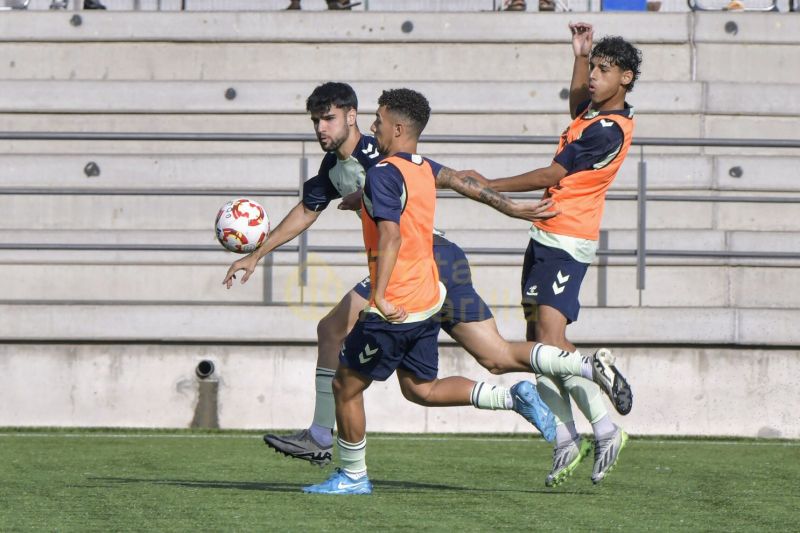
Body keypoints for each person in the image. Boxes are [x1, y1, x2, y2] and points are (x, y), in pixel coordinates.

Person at [222, 82, 629, 469]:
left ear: (352, 116)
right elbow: (307, 211)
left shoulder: (377, 154)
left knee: (333, 331)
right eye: (315, 121)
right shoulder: (336, 167)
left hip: (419, 262)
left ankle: (323, 437)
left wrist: (511, 207)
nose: (320, 128)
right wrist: (257, 254)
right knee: (478, 364)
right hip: (435, 263)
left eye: (327, 118)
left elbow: (450, 181)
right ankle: (573, 378)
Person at [458, 22, 642, 486]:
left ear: (627, 78)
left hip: (568, 240)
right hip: (546, 235)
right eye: (594, 68)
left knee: (552, 341)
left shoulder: (609, 131)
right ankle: (566, 438)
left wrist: (487, 185)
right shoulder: (592, 115)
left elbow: (552, 171)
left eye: (605, 69)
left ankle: (604, 429)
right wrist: (579, 53)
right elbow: (577, 100)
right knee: (536, 348)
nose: (595, 76)